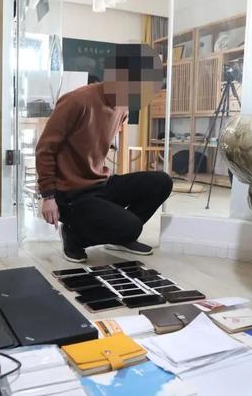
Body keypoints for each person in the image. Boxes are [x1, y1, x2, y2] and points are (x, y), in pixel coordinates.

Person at [35, 44, 173, 263]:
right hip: (70, 194)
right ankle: (74, 236)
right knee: (132, 226)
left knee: (161, 182)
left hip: (100, 184)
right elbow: (45, 149)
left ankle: (120, 236)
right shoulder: (76, 101)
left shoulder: (123, 107)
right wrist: (48, 197)